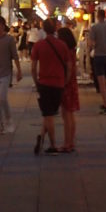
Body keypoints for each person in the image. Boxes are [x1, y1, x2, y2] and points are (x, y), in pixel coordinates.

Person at [31, 18, 70, 154]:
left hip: (44, 83)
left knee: (48, 115)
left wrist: (36, 82)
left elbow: (33, 67)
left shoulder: (38, 45)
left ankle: (53, 145)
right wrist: (65, 81)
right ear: (55, 29)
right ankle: (42, 137)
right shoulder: (62, 45)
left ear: (43, 29)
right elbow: (69, 66)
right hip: (59, 83)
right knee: (50, 114)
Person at [88, 8, 106, 113]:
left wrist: (95, 45)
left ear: (97, 16)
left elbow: (90, 43)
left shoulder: (94, 28)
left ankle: (105, 105)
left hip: (99, 56)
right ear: (105, 16)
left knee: (101, 82)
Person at [57, 26, 79, 152]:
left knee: (66, 114)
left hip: (67, 83)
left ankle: (67, 143)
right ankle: (71, 142)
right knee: (70, 113)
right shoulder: (72, 50)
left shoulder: (66, 51)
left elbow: (69, 68)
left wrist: (65, 81)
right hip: (72, 83)